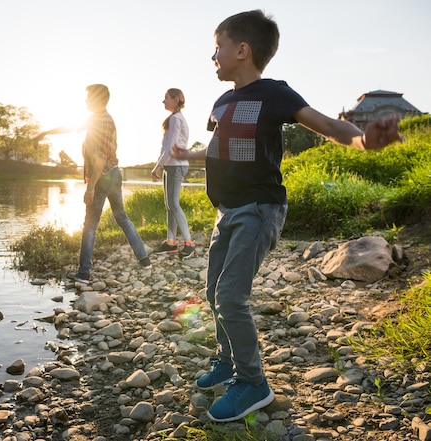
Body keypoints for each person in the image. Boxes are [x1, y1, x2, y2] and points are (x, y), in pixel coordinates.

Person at [172, 10, 403, 423]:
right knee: (212, 293)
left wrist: (365, 141)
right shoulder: (222, 102)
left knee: (230, 296)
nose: (213, 56)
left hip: (259, 209)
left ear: (242, 50)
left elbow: (329, 124)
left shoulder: (274, 93)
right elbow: (218, 147)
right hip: (226, 212)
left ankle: (253, 383)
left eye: (218, 46)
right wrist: (185, 155)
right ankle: (226, 361)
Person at [33, 84, 151, 284]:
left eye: (88, 97)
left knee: (89, 226)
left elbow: (100, 160)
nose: (85, 101)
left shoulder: (101, 122)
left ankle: (83, 273)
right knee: (122, 217)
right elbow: (70, 127)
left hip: (103, 177)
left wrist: (90, 187)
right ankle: (144, 260)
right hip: (114, 174)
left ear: (97, 99)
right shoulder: (97, 119)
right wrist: (44, 133)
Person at [150, 88, 195, 258]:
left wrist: (158, 166)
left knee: (174, 204)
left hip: (175, 165)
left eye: (166, 98)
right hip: (172, 165)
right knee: (170, 205)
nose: (164, 101)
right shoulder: (175, 119)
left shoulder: (176, 119)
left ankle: (189, 244)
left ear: (176, 99)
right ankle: (171, 242)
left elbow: (171, 147)